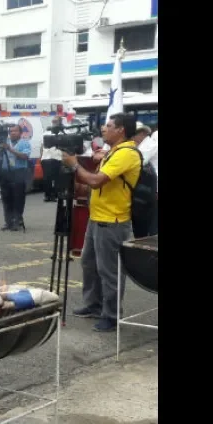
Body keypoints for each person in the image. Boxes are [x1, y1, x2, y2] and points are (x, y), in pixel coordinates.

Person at [62, 113, 141, 332]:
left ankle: (112, 315)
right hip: (97, 217)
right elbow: (93, 185)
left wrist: (75, 165)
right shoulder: (111, 153)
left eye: (108, 126)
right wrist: (76, 181)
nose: (103, 129)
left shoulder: (126, 153)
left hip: (113, 221)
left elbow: (97, 181)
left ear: (121, 130)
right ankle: (93, 304)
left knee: (110, 271)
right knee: (89, 263)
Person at [0, 124, 30, 231]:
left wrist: (10, 149)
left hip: (18, 173)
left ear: (20, 133)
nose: (12, 133)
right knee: (6, 198)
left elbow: (25, 156)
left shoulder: (25, 143)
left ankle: (17, 221)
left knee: (18, 198)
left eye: (15, 131)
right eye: (10, 131)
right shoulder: (4, 141)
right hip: (5, 174)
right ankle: (8, 221)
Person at [40, 116, 64, 202]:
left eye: (55, 121)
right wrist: (41, 157)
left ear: (60, 122)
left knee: (57, 178)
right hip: (46, 158)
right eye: (53, 121)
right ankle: (47, 195)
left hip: (57, 158)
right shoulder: (46, 132)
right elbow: (42, 146)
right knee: (47, 178)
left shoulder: (63, 133)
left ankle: (54, 195)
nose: (53, 123)